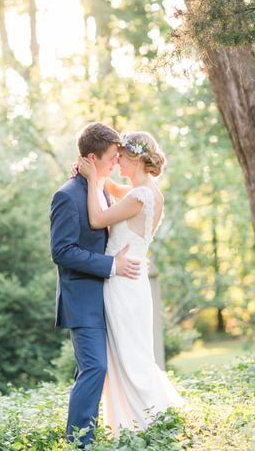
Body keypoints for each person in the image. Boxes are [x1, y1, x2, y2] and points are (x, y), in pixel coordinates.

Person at [78, 130, 184, 437]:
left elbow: (98, 220)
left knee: (129, 355)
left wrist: (87, 182)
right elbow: (110, 184)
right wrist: (92, 172)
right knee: (131, 352)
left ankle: (148, 423)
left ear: (135, 158)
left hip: (122, 283)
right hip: (131, 280)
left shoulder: (139, 196)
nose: (116, 161)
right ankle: (138, 423)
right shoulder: (146, 191)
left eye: (120, 156)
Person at [50, 122, 142, 448]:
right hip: (83, 299)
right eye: (112, 157)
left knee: (96, 370)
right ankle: (79, 443)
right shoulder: (66, 196)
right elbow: (61, 252)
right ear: (92, 157)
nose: (116, 162)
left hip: (107, 297)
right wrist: (112, 265)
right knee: (94, 369)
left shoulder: (99, 187)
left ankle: (85, 436)